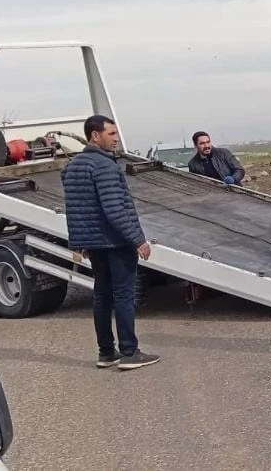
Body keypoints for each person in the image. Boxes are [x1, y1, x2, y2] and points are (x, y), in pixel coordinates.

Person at [60, 115, 160, 371]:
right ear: (95, 136)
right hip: (115, 242)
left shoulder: (71, 167)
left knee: (102, 295)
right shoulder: (104, 166)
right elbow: (115, 210)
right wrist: (138, 240)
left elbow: (75, 209)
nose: (116, 139)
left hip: (94, 244)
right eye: (111, 134)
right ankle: (129, 352)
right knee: (124, 295)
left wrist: (80, 241)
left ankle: (106, 352)